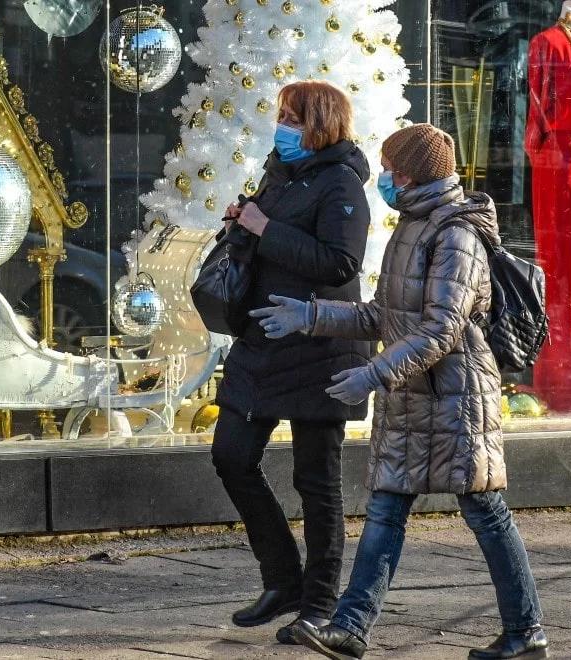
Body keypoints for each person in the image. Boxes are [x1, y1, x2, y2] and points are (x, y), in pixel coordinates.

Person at [250, 123, 548, 660]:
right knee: (387, 510)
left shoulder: (456, 234)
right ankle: (351, 629)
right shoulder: (413, 226)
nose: (382, 176)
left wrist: (374, 373)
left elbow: (441, 329)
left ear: (408, 173)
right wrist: (311, 315)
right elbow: (384, 315)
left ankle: (525, 632)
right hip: (414, 397)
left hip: (456, 400)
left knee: (485, 512)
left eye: (388, 168)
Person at [211, 80, 373, 645]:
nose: (280, 125)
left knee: (316, 480)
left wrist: (266, 229)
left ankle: (321, 603)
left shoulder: (342, 183)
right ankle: (282, 579)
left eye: (290, 117)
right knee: (231, 454)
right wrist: (242, 226)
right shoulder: (279, 172)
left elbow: (340, 263)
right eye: (280, 115)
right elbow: (264, 239)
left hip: (320, 345)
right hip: (263, 338)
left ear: (319, 124)